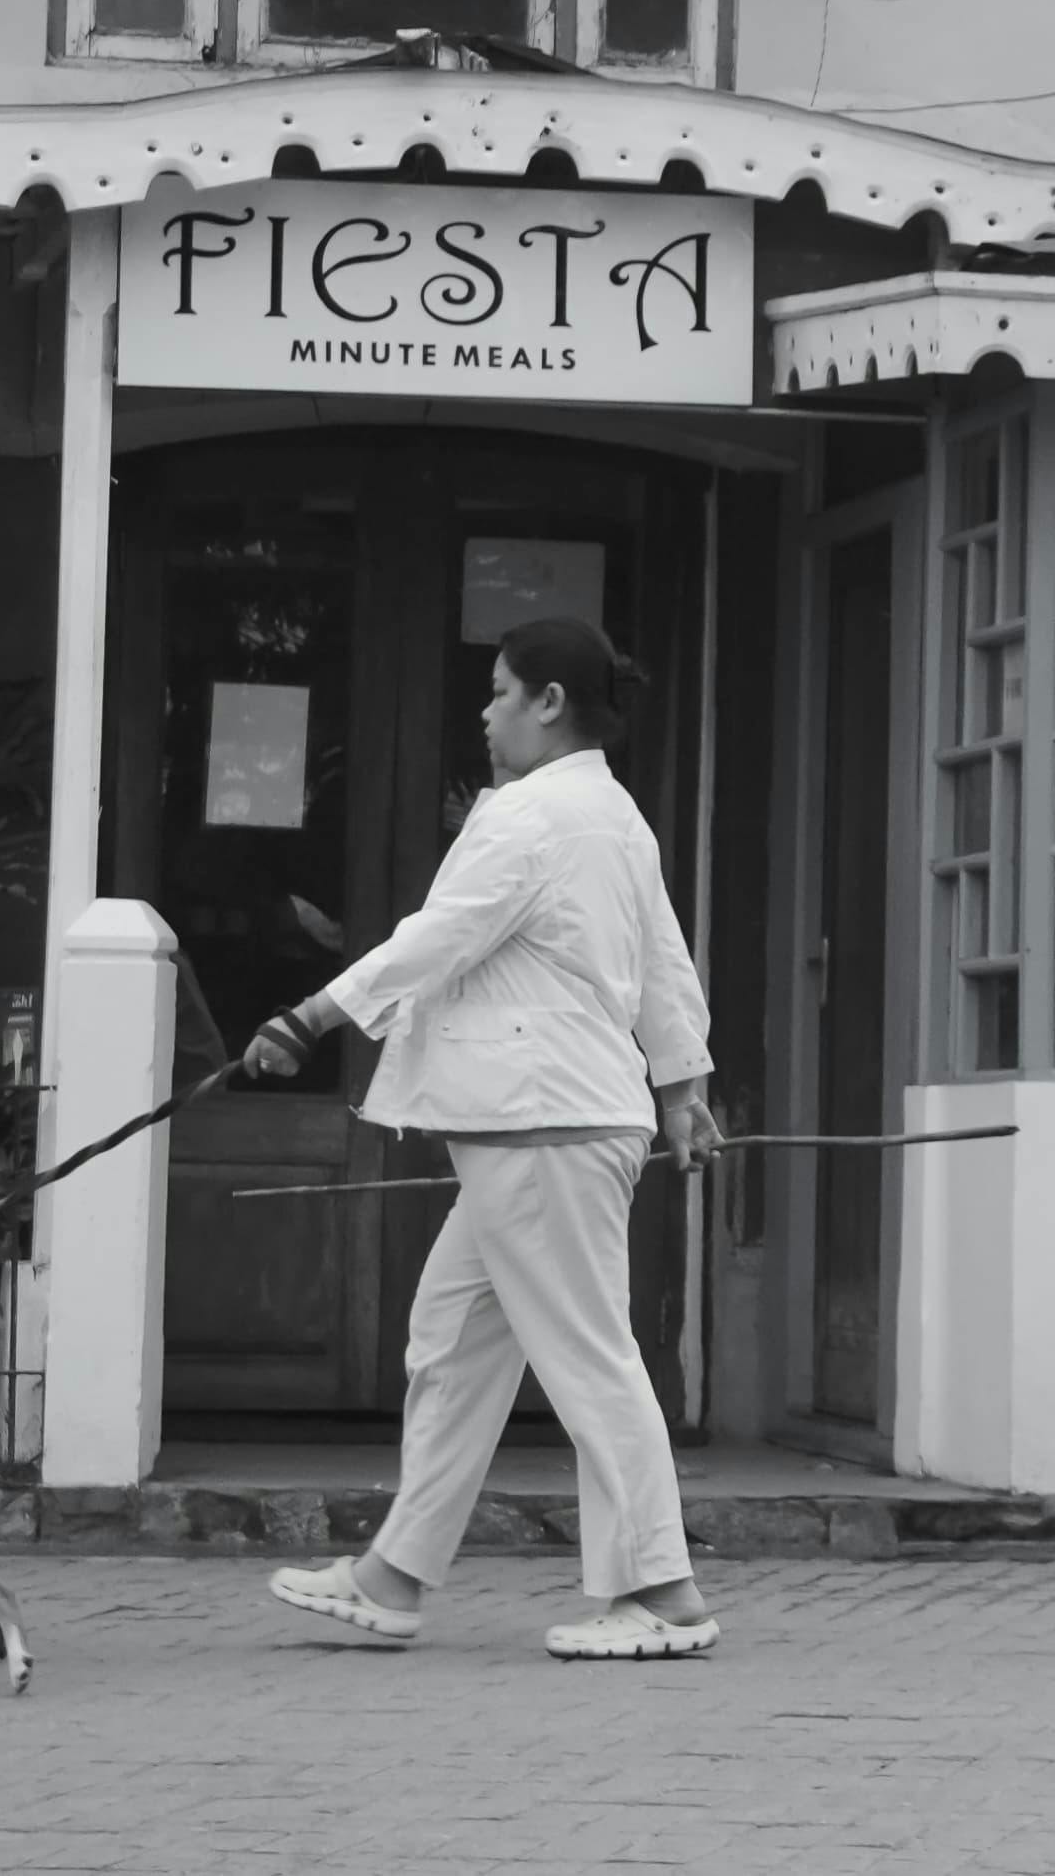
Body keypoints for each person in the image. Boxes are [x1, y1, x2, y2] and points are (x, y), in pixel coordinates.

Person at [240, 615, 723, 1662]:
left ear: (548, 701)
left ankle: (661, 1589)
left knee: (588, 1356)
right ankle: (394, 1577)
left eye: (500, 690)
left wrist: (313, 1014)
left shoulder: (531, 816)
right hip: (543, 1116)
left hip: (538, 1116)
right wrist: (680, 1085)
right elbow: (665, 960)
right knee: (451, 1343)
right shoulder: (610, 814)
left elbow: (440, 932)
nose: (485, 709)